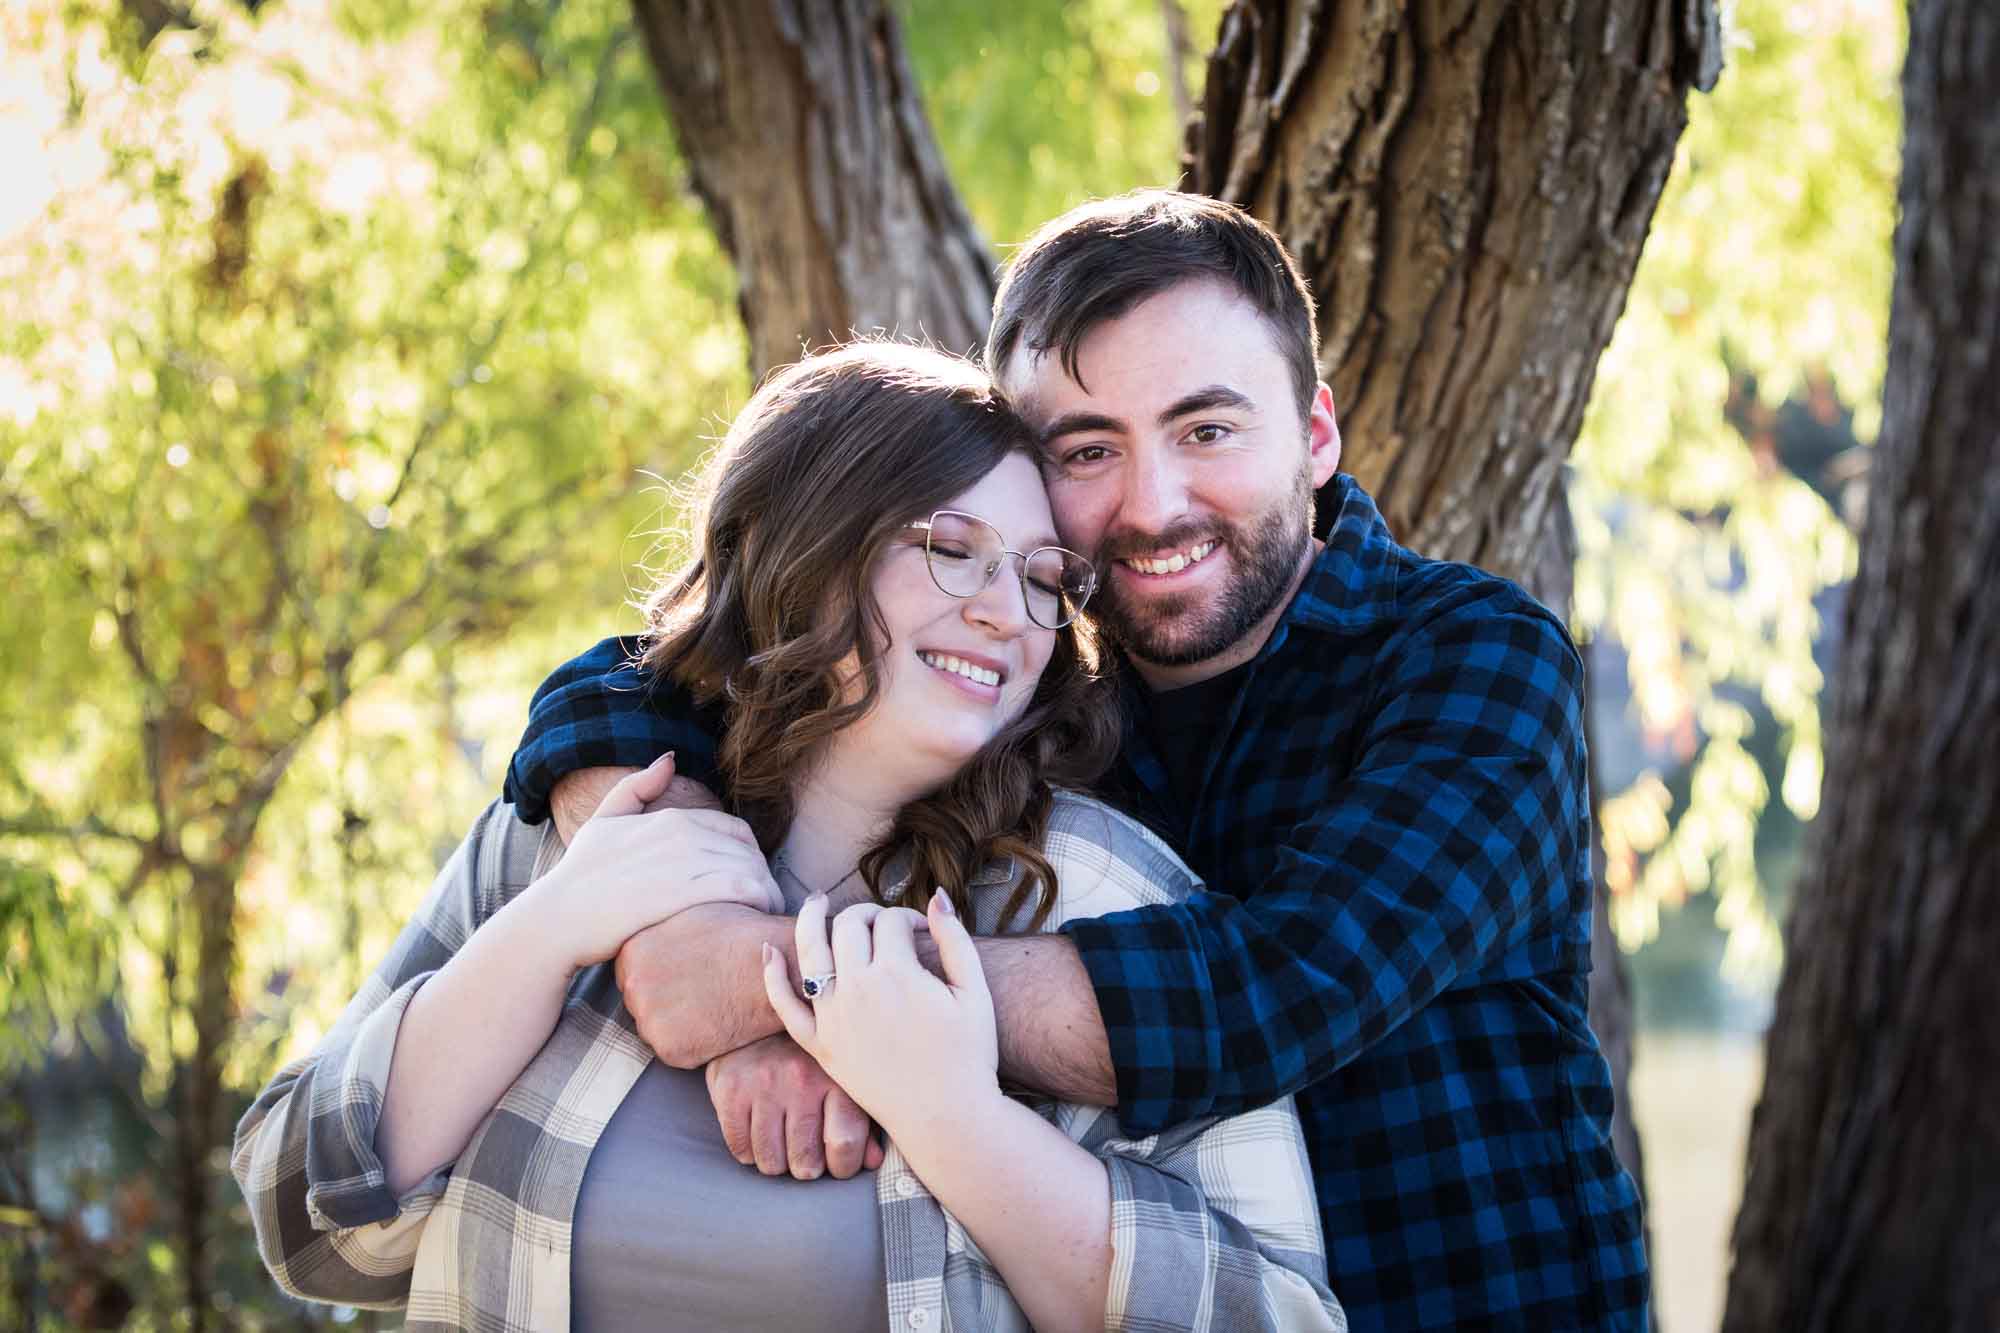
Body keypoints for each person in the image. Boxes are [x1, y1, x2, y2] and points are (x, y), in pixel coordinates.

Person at [507, 191, 1650, 1330]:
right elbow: (632, 683)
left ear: (1312, 434)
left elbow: (1268, 992)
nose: (1150, 505)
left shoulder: (1472, 658)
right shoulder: (1019, 694)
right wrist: (673, 913)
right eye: (1087, 450)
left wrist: (789, 991)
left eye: (1206, 430)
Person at [231, 341, 1342, 1332]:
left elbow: (1281, 1314)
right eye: (952, 548)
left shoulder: (1102, 891)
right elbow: (302, 1222)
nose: (1009, 611)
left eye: (1044, 576)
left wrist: (944, 1109)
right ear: (808, 550)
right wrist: (554, 930)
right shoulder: (576, 833)